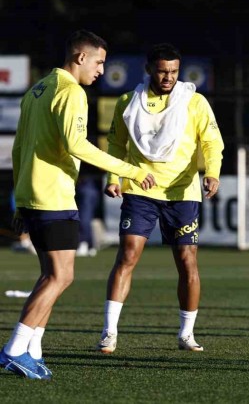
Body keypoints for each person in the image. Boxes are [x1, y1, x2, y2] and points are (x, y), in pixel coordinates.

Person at [0, 30, 155, 380]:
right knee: (61, 276)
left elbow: (19, 147)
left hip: (35, 194)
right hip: (53, 195)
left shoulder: (37, 89)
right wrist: (130, 170)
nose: (101, 70)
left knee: (52, 275)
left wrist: (21, 199)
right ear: (80, 57)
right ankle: (13, 349)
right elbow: (77, 145)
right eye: (99, 61)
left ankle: (33, 351)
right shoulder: (72, 92)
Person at [95, 43, 224, 354]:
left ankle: (186, 333)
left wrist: (213, 173)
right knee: (127, 255)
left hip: (182, 193)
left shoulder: (194, 101)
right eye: (163, 71)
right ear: (149, 69)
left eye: (174, 71)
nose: (169, 77)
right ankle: (109, 332)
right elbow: (116, 145)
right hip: (141, 189)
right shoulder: (128, 101)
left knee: (186, 260)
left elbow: (211, 141)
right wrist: (114, 178)